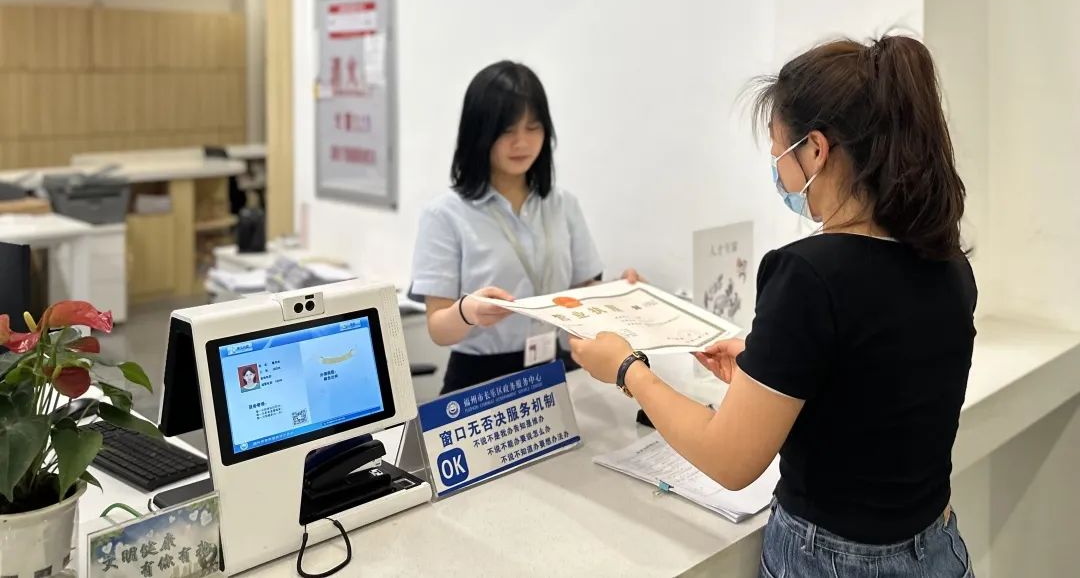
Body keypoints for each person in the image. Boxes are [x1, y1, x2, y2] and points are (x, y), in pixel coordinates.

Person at [570, 34, 977, 577]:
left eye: (778, 152)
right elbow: (875, 391)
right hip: (939, 550)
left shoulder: (807, 274)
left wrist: (628, 370)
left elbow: (730, 460)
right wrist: (773, 367)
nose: (777, 169)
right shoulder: (948, 263)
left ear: (816, 150)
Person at [410, 61, 639, 394]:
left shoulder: (562, 204)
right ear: (479, 133)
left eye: (533, 128)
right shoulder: (445, 214)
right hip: (480, 379)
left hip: (555, 369)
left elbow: (584, 290)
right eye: (507, 131)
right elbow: (438, 328)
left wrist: (623, 293)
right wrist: (467, 312)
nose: (522, 142)